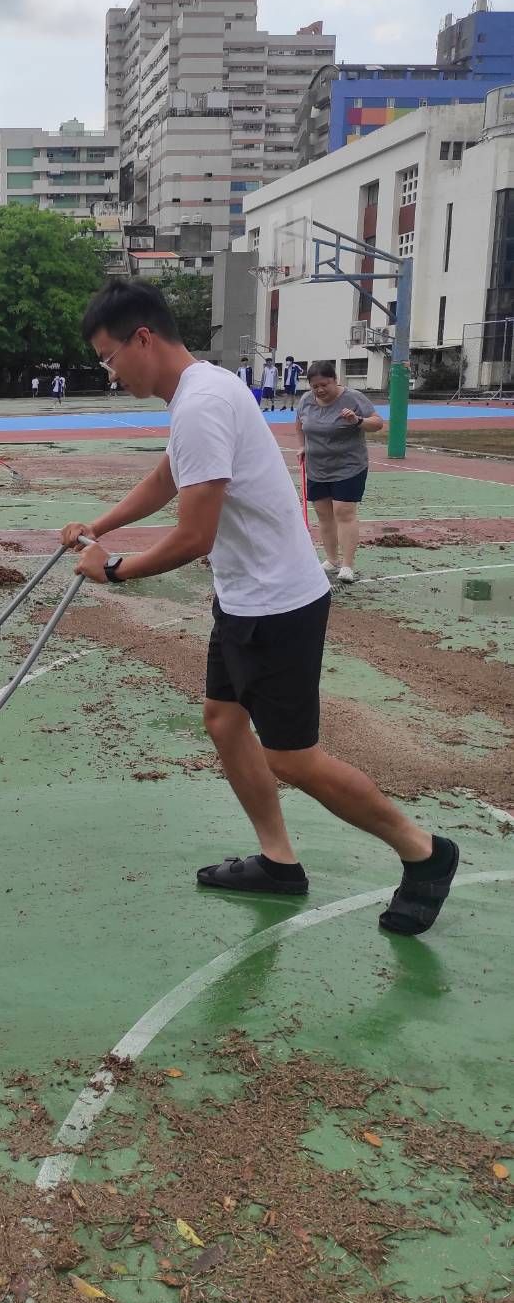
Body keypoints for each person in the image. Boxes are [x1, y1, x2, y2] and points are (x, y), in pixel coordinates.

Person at [60, 281, 458, 935]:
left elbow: (195, 537)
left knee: (292, 757)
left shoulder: (200, 403)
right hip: (244, 597)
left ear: (142, 339)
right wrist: (97, 525)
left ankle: (423, 852)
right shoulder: (200, 392)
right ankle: (278, 860)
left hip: (277, 604)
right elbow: (169, 475)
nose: (108, 372)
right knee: (222, 720)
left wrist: (113, 568)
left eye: (107, 357)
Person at [297, 360, 382, 585]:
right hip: (317, 468)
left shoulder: (353, 398)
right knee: (324, 515)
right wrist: (301, 445)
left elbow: (377, 423)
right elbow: (300, 423)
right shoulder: (306, 400)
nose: (320, 390)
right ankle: (332, 559)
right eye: (315, 387)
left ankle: (347, 564)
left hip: (349, 466)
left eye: (324, 384)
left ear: (335, 380)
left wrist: (358, 420)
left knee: (344, 512)